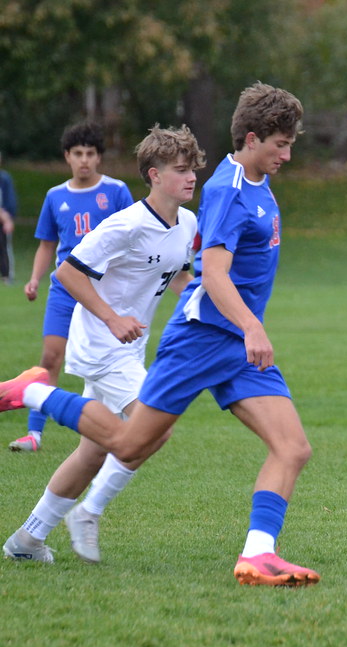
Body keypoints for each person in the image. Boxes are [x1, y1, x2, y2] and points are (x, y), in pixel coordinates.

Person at [0, 83, 320, 587]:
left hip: (233, 344)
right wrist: (252, 324)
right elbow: (215, 275)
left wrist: (232, 318)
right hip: (200, 339)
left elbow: (189, 271)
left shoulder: (246, 189)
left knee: (293, 447)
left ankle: (258, 555)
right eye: (280, 143)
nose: (287, 153)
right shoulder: (228, 190)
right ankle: (32, 391)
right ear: (253, 138)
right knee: (129, 444)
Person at [2, 125, 203, 565]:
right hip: (100, 342)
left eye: (194, 170)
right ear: (153, 174)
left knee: (93, 452)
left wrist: (208, 298)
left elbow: (178, 277)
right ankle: (33, 397)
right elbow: (68, 273)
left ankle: (27, 540)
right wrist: (112, 319)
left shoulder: (187, 222)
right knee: (156, 427)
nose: (192, 178)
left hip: (131, 347)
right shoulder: (126, 224)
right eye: (182, 170)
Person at [10, 123, 133, 452]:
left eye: (90, 153)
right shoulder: (55, 196)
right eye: (77, 153)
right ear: (67, 157)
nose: (84, 160)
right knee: (51, 356)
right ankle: (34, 434)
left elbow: (131, 238)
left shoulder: (117, 191)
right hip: (64, 289)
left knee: (109, 358)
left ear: (99, 158)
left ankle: (118, 427)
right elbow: (47, 245)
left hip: (105, 291)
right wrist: (35, 278)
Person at [0, 150, 18, 284]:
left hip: (2, 220)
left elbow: (10, 200)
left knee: (4, 246)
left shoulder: (4, 179)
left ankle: (6, 275)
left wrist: (8, 218)